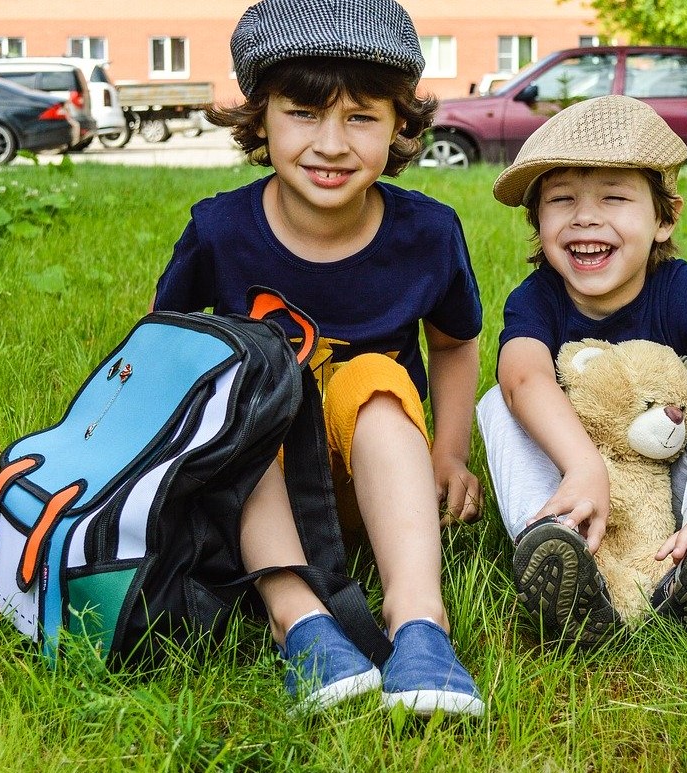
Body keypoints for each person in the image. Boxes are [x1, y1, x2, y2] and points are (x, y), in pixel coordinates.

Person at [151, 0, 485, 716]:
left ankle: (420, 619)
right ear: (260, 117)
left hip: (380, 486)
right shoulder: (219, 230)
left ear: (400, 123)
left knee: (372, 373)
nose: (332, 143)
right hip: (254, 494)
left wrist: (449, 455)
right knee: (245, 391)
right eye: (304, 113)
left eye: (361, 116)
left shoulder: (428, 234)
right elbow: (165, 353)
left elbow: (454, 343)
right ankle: (297, 618)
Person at [476, 96, 687, 644]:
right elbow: (522, 376)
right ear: (538, 221)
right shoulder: (537, 298)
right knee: (499, 401)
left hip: (667, 487)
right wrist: (582, 467)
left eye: (614, 198)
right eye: (562, 200)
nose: (585, 217)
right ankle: (553, 544)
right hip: (575, 483)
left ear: (665, 218)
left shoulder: (681, 290)